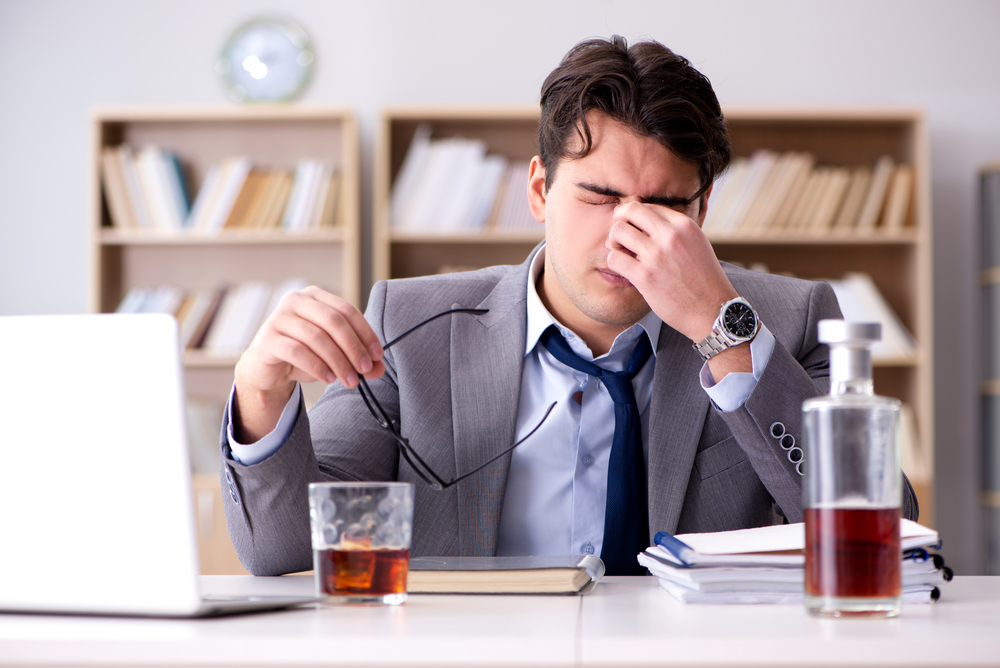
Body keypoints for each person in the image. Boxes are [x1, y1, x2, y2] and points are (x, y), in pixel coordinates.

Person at [222, 35, 918, 577]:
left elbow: (882, 532)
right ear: (538, 191)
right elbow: (285, 552)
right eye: (599, 196)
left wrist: (721, 329)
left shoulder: (787, 321)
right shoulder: (409, 324)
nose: (628, 231)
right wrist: (259, 392)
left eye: (667, 205)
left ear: (703, 209)